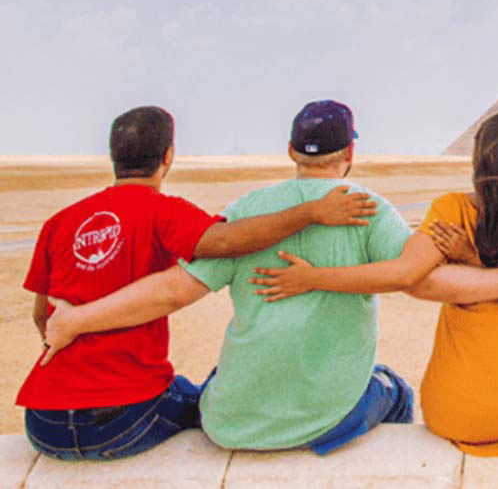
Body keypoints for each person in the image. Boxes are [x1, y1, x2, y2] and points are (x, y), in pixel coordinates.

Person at [20, 105, 377, 461]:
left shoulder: (58, 222)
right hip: (124, 419)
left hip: (42, 424)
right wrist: (312, 212)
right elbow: (224, 241)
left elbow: (42, 316)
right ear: (168, 155)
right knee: (210, 397)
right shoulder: (165, 212)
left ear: (114, 156)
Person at [242, 112, 498, 456]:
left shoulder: (450, 210)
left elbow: (406, 274)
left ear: (477, 160)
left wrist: (473, 259)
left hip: (456, 414)